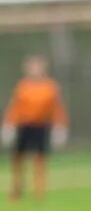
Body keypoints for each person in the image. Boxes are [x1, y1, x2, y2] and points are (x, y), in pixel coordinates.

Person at [2, 55, 68, 201]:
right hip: (23, 126)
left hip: (41, 126)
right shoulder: (22, 86)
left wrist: (60, 127)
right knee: (18, 158)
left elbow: (57, 109)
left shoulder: (50, 87)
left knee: (39, 159)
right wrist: (9, 125)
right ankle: (16, 189)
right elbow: (14, 108)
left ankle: (39, 192)